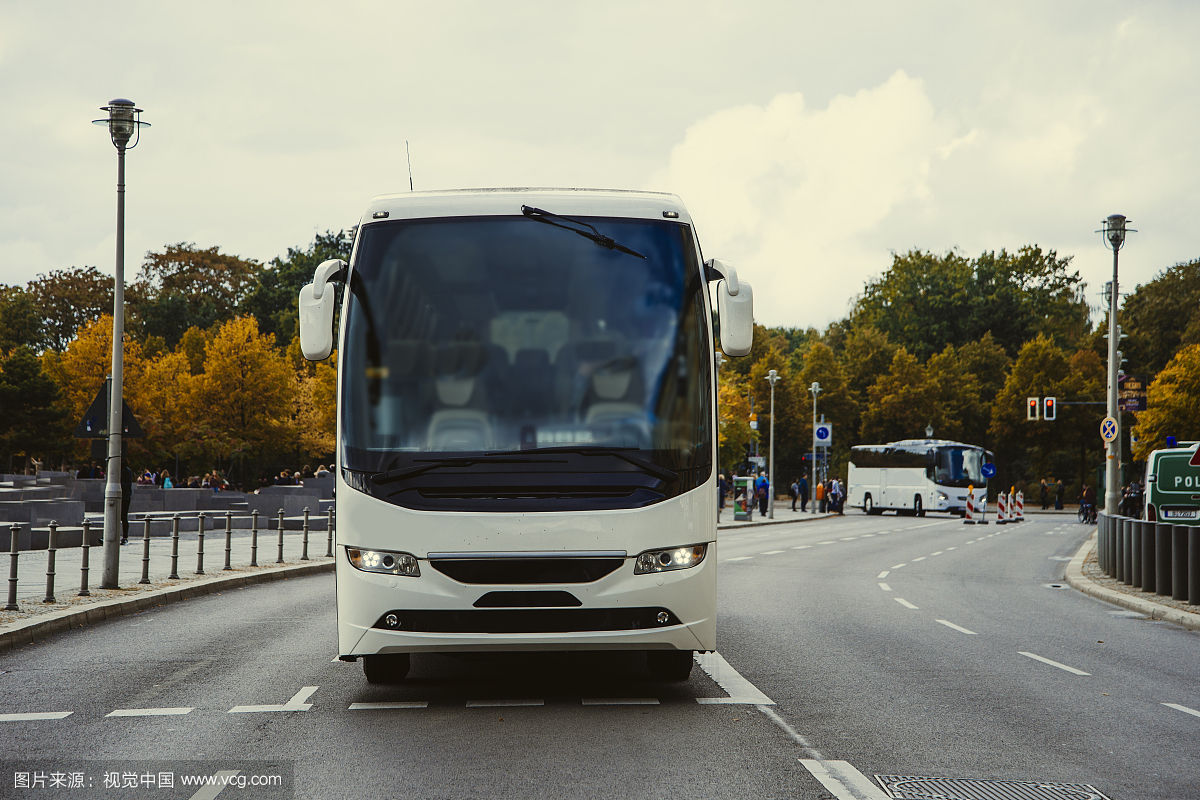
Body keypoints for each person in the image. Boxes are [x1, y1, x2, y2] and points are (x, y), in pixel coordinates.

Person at [119, 461, 133, 545]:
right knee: (114, 516)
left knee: (123, 517)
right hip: (122, 496)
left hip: (124, 497)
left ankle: (125, 537)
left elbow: (127, 484)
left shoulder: (126, 471)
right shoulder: (120, 469)